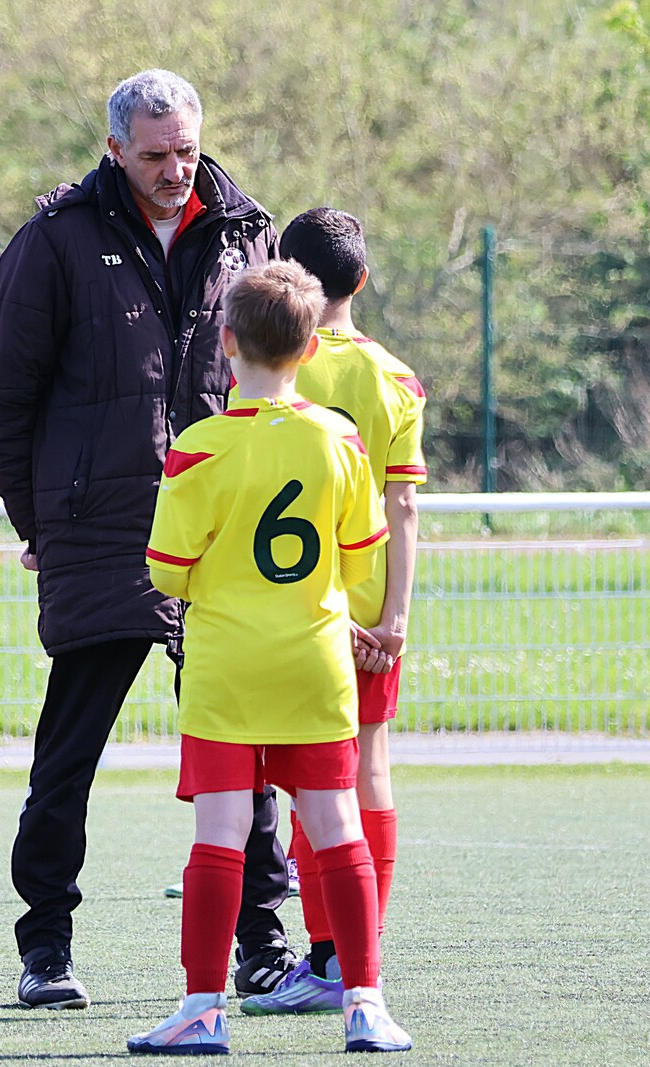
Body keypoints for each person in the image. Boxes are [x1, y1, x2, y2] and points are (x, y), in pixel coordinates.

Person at [0, 68, 288, 1009]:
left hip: (224, 542)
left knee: (241, 751)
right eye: (154, 154)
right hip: (101, 535)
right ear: (115, 149)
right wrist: (40, 523)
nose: (174, 170)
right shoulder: (56, 239)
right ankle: (46, 946)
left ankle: (262, 942)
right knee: (69, 754)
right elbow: (0, 394)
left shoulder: (246, 234)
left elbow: (283, 381)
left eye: (186, 150)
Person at [125, 261, 412, 1055]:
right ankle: (364, 1002)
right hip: (314, 661)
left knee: (220, 833)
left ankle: (202, 1010)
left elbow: (166, 571)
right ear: (310, 346)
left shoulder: (199, 447)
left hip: (227, 665)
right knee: (337, 825)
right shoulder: (340, 440)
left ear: (225, 343)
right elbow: (362, 559)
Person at [239, 208, 426, 1016]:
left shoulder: (273, 363)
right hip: (371, 602)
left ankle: (324, 958)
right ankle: (362, 953)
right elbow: (403, 506)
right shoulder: (395, 377)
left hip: (298, 606)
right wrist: (395, 618)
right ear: (363, 279)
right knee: (371, 770)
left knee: (310, 781)